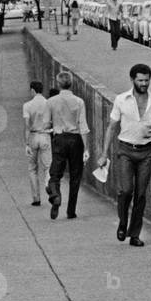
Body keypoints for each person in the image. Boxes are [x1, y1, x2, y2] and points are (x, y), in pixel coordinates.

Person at [99, 63, 151, 247]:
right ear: (132, 80)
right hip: (126, 150)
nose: (144, 84)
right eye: (140, 80)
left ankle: (134, 234)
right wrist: (104, 154)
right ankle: (122, 222)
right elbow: (112, 127)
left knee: (141, 194)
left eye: (147, 80)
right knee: (126, 190)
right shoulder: (121, 99)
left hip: (146, 152)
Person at [46, 71, 89, 220]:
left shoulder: (51, 101)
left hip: (59, 137)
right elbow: (83, 125)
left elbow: (46, 123)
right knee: (75, 176)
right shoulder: (79, 101)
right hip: (75, 138)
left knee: (55, 172)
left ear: (58, 84)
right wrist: (86, 148)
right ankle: (71, 210)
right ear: (72, 84)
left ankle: (55, 194)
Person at [22, 81, 53, 206]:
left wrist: (27, 143)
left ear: (33, 90)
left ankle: (36, 198)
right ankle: (48, 185)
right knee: (48, 166)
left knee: (32, 168)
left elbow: (26, 125)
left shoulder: (27, 105)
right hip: (45, 134)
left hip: (33, 135)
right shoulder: (48, 103)